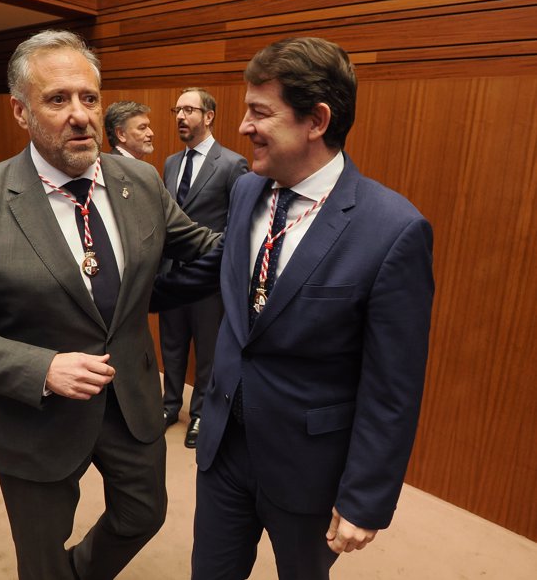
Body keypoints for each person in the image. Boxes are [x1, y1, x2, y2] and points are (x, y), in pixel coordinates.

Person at [0, 29, 218, 580]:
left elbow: (201, 248)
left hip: (130, 400)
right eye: (58, 100)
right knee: (42, 555)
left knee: (144, 514)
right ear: (21, 112)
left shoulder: (141, 180)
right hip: (34, 416)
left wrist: (279, 227)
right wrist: (42, 368)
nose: (80, 115)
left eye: (89, 98)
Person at [153, 37, 434, 579]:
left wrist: (365, 497)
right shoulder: (247, 191)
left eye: (260, 112)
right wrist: (120, 299)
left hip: (308, 469)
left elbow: (393, 384)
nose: (242, 127)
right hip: (223, 448)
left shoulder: (392, 230)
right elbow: (226, 271)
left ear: (317, 120)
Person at [160, 88, 248, 448]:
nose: (181, 117)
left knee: (208, 350)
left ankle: (200, 414)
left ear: (209, 116)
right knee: (172, 345)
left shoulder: (232, 164)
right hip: (171, 274)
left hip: (208, 279)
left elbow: (237, 222)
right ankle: (168, 406)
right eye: (177, 110)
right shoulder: (169, 163)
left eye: (189, 110)